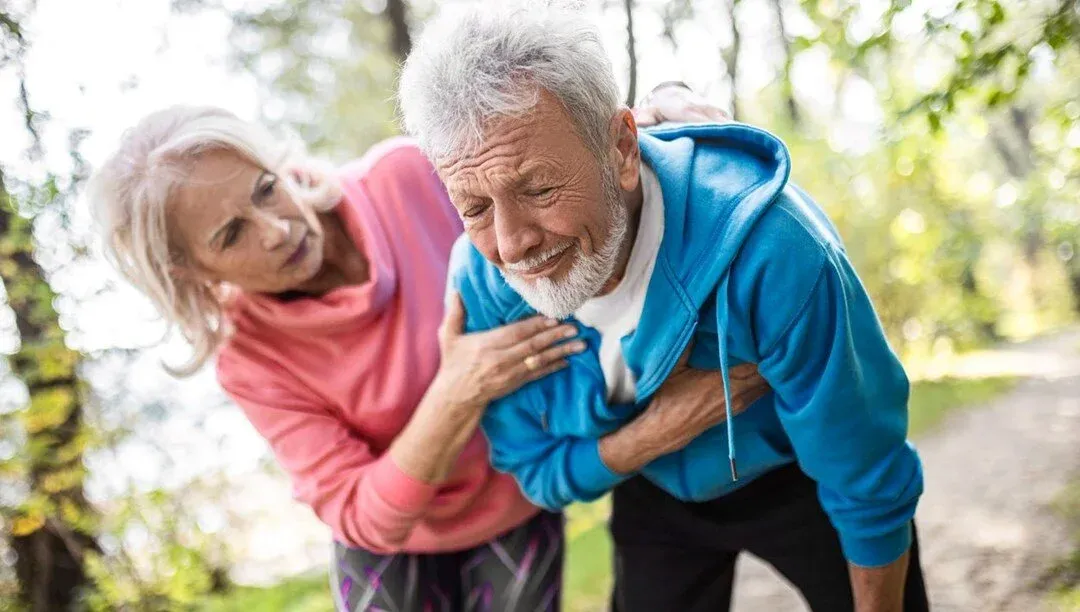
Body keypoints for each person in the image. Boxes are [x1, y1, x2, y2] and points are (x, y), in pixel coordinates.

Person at [87, 85, 764, 610]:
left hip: (511, 500)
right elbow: (357, 512)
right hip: (391, 539)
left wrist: (664, 108)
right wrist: (457, 389)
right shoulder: (251, 358)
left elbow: (557, 161)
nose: (275, 228)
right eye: (231, 235)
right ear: (193, 274)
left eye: (266, 188)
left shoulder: (408, 176)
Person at [397, 2, 929, 611]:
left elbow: (864, 469)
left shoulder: (774, 247)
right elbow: (537, 472)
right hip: (651, 489)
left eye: (539, 188)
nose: (512, 244)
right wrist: (652, 435)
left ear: (621, 149)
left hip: (797, 473)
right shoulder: (484, 285)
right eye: (474, 208)